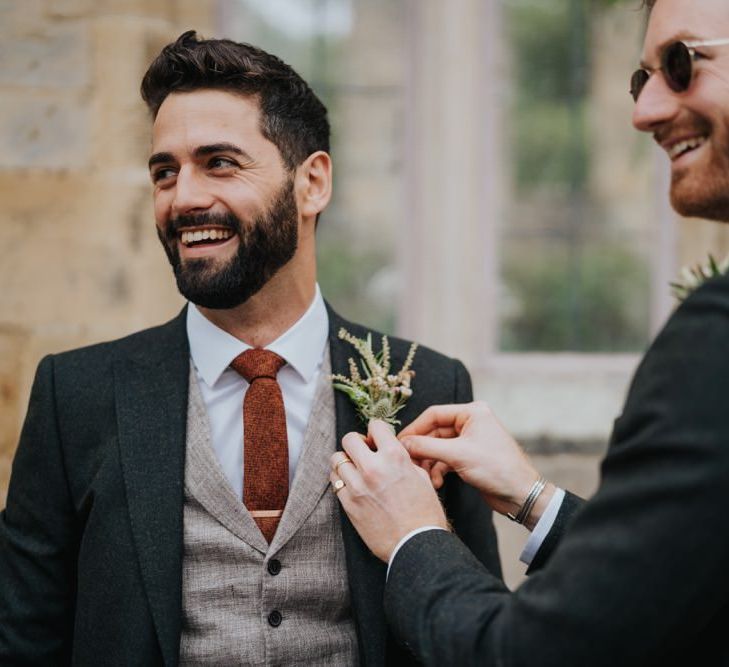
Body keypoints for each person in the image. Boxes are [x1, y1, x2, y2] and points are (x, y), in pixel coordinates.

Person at [0, 31, 501, 665]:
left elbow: (476, 636)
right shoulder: (75, 397)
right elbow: (24, 639)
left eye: (220, 163)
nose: (184, 198)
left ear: (312, 183)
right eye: (165, 172)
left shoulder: (429, 387)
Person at [329, 0, 729, 665]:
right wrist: (533, 497)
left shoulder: (715, 339)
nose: (644, 111)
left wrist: (414, 535)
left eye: (681, 64)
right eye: (641, 80)